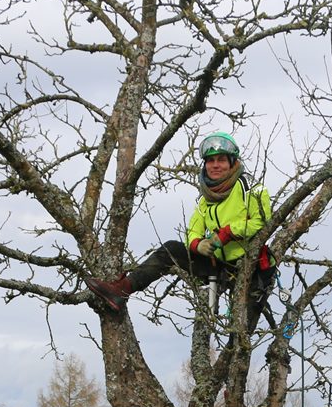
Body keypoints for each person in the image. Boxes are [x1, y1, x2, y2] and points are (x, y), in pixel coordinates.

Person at [86, 132, 274, 326]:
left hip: (252, 268)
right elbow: (192, 230)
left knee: (241, 332)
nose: (215, 165)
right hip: (218, 265)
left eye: (221, 160)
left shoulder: (250, 187)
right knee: (171, 250)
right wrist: (197, 244)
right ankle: (122, 290)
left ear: (232, 162)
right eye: (210, 161)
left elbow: (262, 221)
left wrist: (226, 234)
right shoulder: (205, 198)